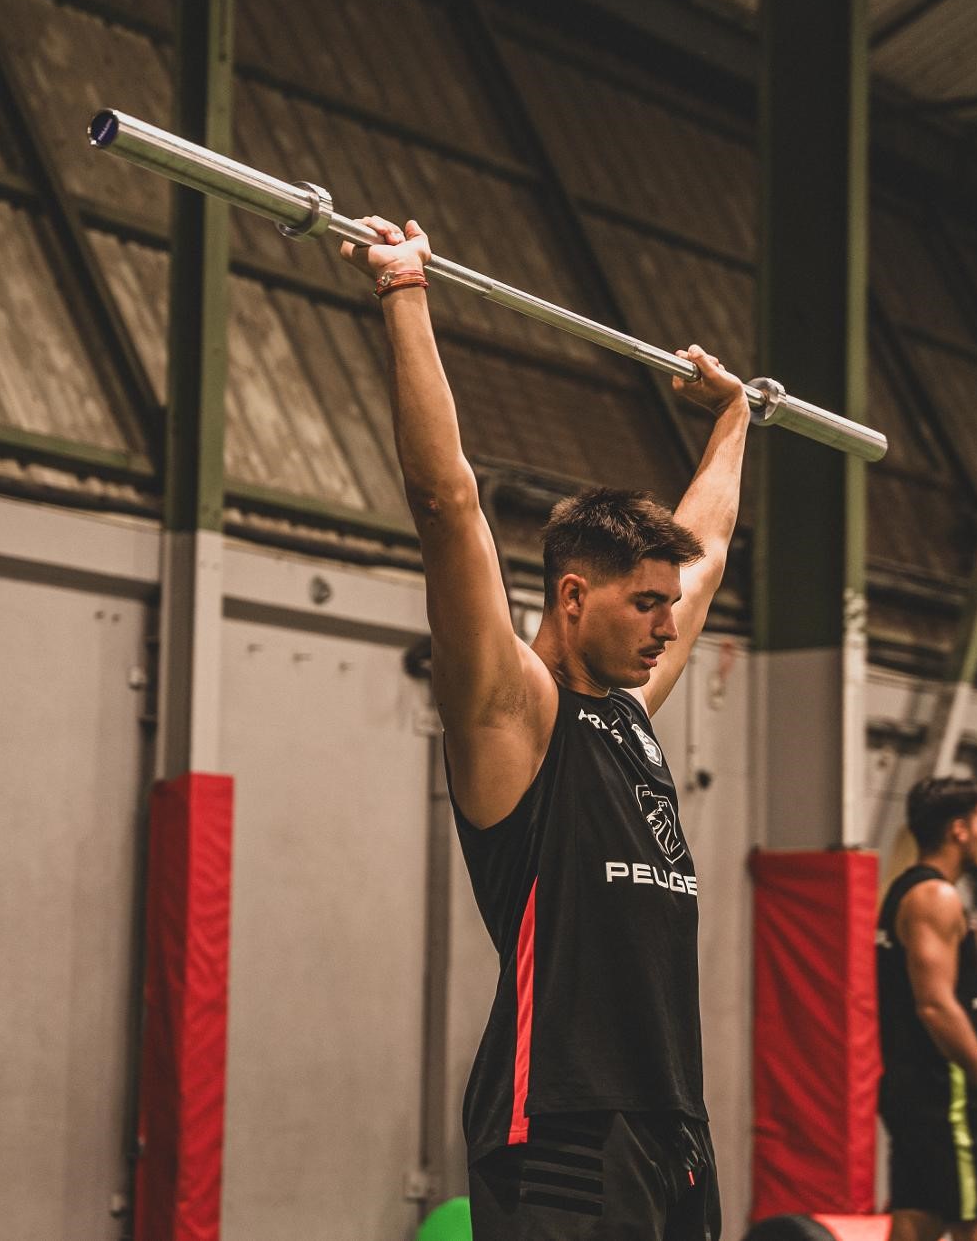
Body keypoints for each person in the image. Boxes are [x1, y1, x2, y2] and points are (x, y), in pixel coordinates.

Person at [340, 217, 750, 1240]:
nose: (668, 628)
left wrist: (735, 417)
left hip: (673, 1127)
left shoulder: (625, 718)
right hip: (561, 1130)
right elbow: (445, 503)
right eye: (643, 606)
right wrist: (403, 292)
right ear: (573, 597)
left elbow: (705, 547)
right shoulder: (515, 719)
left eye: (667, 606)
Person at [876, 776, 977, 1241]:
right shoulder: (934, 897)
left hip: (915, 1093)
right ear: (958, 830)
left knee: (916, 1217)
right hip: (950, 1098)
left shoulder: (907, 892)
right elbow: (935, 1006)